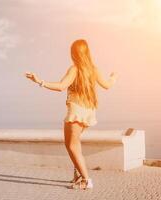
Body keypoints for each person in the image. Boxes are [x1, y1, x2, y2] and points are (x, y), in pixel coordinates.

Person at [25, 39, 118, 190]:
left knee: (71, 146)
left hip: (76, 111)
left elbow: (61, 86)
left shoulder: (75, 69)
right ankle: (79, 176)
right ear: (87, 52)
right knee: (76, 145)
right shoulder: (93, 69)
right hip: (89, 111)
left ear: (74, 53)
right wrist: (114, 77)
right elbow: (107, 85)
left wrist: (39, 81)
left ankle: (86, 181)